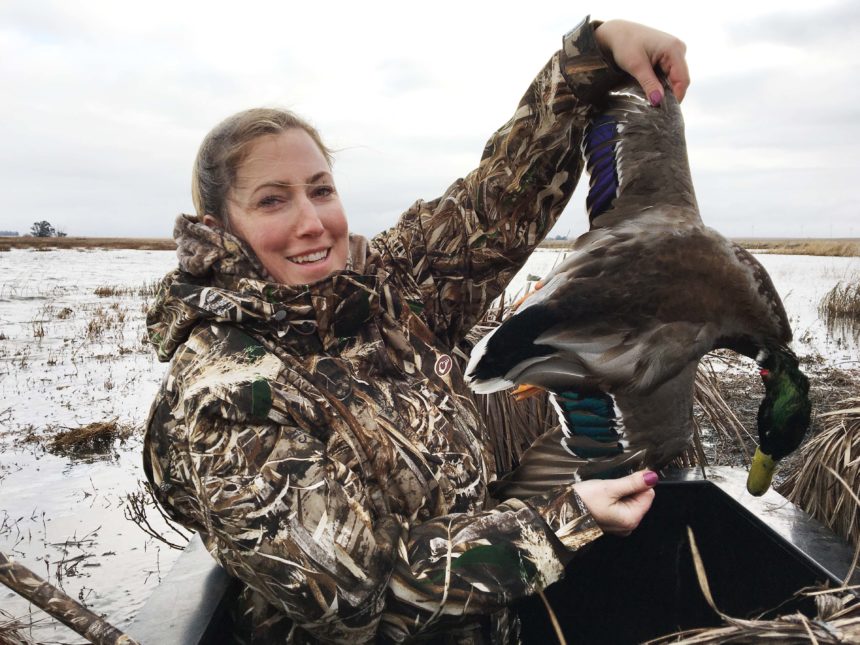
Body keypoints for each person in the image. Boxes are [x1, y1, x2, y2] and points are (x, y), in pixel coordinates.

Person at [144, 16, 689, 643]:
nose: (311, 221)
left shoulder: (382, 292)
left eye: (321, 190)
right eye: (273, 200)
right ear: (219, 226)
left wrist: (592, 53)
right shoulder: (223, 396)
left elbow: (497, 202)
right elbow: (354, 596)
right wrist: (561, 522)